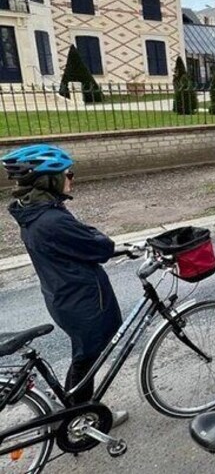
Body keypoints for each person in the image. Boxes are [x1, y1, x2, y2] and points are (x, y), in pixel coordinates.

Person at [3, 145, 127, 424]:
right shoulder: (52, 220)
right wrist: (94, 236)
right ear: (48, 180)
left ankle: (75, 406)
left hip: (64, 294)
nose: (71, 177)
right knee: (88, 357)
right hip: (82, 301)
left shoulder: (35, 211)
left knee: (85, 354)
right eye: (67, 173)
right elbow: (103, 247)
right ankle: (81, 417)